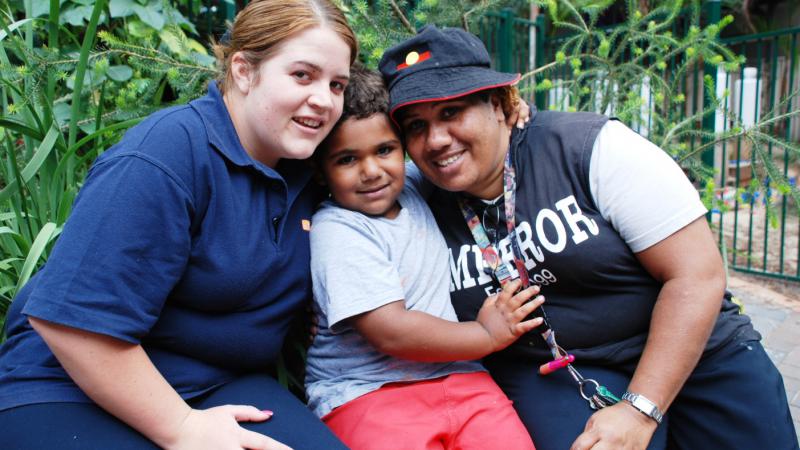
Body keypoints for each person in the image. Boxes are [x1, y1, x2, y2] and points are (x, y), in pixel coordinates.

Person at [378, 25, 799, 450]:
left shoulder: (587, 149)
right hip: (556, 373)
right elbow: (351, 161)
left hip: (695, 352)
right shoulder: (409, 197)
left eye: (452, 112)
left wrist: (640, 408)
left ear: (500, 104)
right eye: (415, 125)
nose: (435, 140)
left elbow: (698, 275)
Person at [0, 1, 357, 448]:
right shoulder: (167, 153)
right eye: (302, 75)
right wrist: (183, 429)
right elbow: (73, 324)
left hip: (215, 384)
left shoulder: (304, 169)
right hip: (72, 388)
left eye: (337, 84)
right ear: (244, 71)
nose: (323, 99)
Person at [304, 65, 540, 450]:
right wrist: (484, 335)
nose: (372, 171)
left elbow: (452, 156)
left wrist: (508, 112)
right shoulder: (339, 229)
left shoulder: (410, 185)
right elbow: (389, 330)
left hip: (461, 377)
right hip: (369, 390)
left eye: (384, 150)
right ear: (320, 171)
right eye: (347, 160)